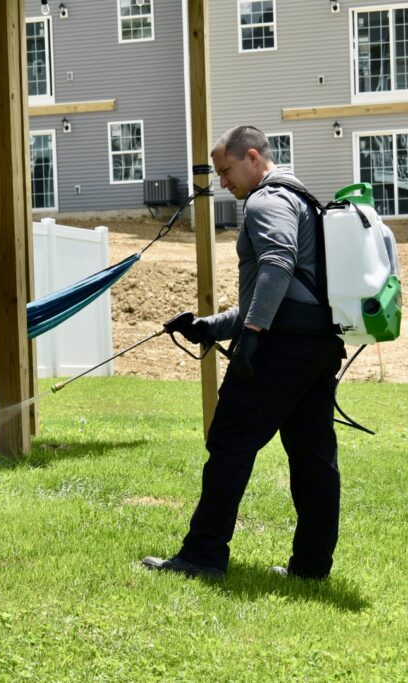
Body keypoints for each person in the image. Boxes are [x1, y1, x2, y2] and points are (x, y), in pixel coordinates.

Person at [142, 125, 346, 580]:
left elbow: (277, 263)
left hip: (280, 348)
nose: (223, 182)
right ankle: (311, 568)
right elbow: (283, 293)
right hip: (317, 346)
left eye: (226, 170)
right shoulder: (301, 199)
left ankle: (202, 556)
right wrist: (207, 327)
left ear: (252, 157)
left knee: (230, 443)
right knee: (314, 457)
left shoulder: (266, 201)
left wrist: (252, 334)